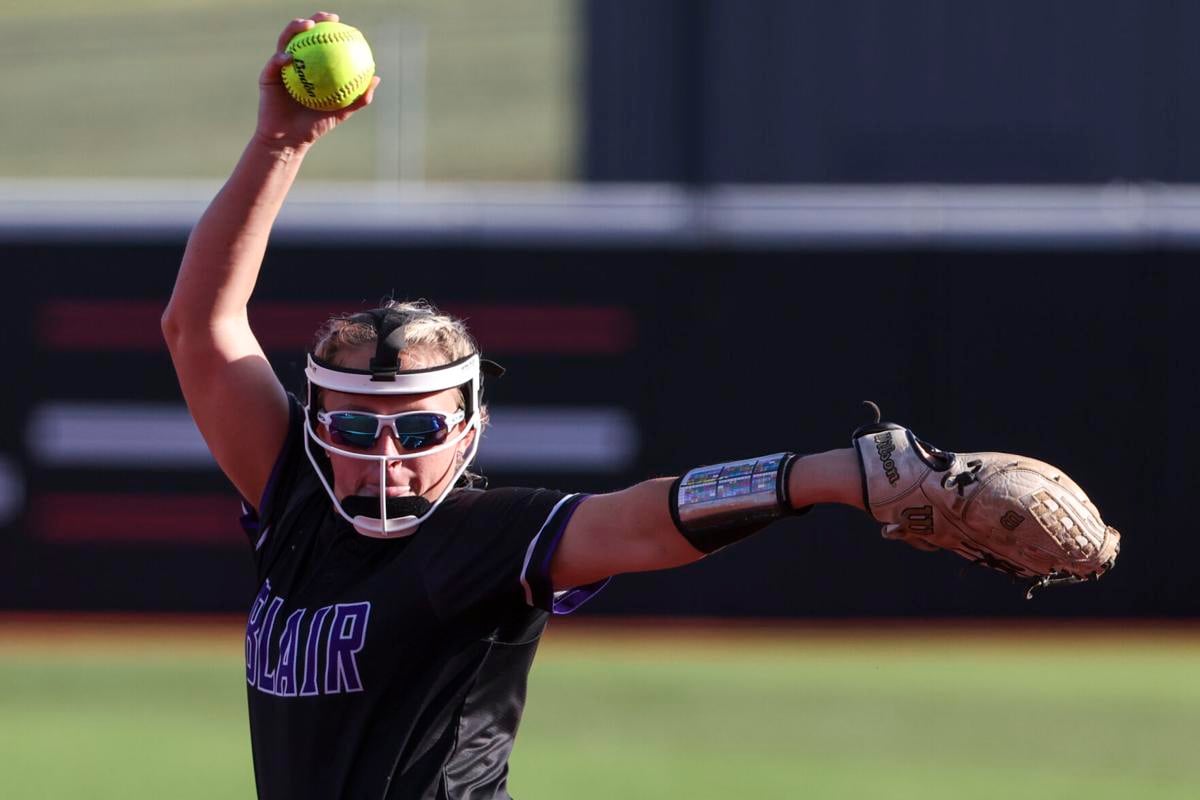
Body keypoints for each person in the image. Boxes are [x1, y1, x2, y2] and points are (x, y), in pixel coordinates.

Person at [162, 12, 1117, 800]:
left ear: (468, 425)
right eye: (353, 428)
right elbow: (200, 329)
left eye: (415, 429)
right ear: (317, 427)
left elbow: (644, 521)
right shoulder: (293, 497)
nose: (385, 457)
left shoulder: (478, 538)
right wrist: (279, 142)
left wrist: (836, 477)